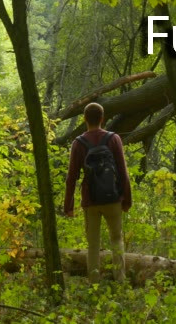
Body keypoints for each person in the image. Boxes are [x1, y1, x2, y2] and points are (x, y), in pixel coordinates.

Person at [64, 102, 132, 283]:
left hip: (90, 200)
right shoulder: (113, 139)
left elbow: (72, 177)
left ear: (84, 119)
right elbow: (123, 172)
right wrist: (127, 199)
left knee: (93, 245)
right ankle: (120, 280)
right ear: (103, 119)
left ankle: (94, 283)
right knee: (117, 239)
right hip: (113, 198)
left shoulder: (78, 143)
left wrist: (68, 206)